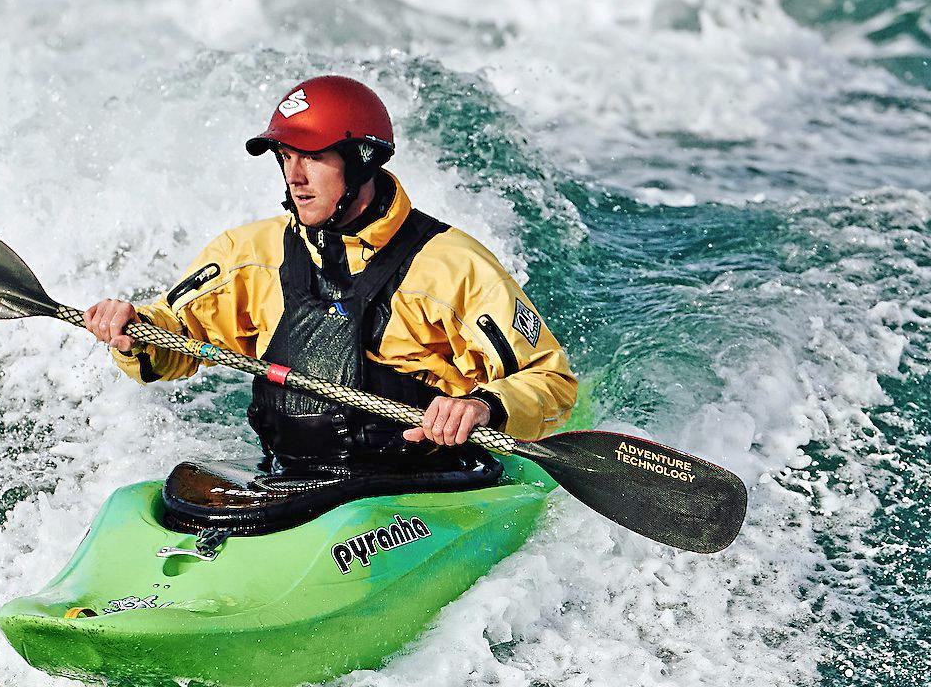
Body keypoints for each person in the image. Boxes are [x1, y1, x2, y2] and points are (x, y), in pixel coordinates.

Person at [83, 76, 578, 483]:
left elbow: (552, 384)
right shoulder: (249, 255)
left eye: (312, 157)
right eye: (285, 158)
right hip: (294, 478)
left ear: (361, 158)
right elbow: (173, 339)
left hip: (423, 484)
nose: (294, 176)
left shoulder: (454, 268)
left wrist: (482, 406)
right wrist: (133, 332)